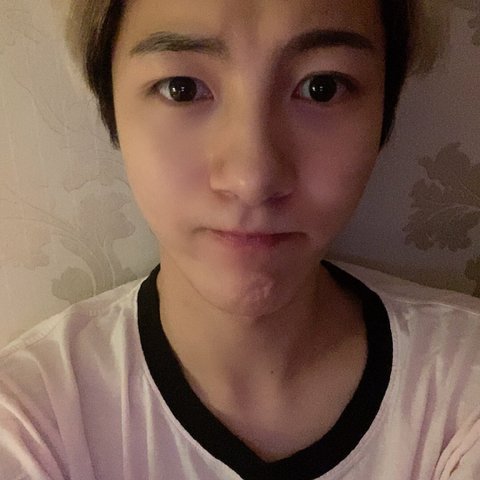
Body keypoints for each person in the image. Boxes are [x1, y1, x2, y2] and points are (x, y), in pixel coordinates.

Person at [1, 0, 479, 479]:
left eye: (322, 87)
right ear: (113, 111)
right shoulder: (29, 422)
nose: (253, 179)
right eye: (182, 89)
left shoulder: (463, 388)